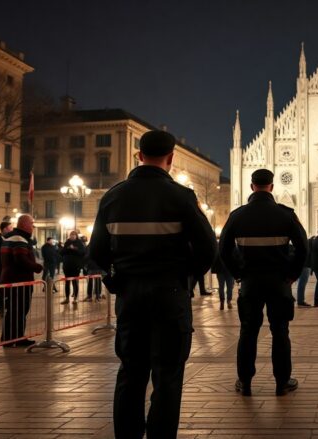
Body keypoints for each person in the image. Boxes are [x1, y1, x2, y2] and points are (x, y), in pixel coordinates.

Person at [88, 130, 216, 438]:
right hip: (170, 294)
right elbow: (208, 249)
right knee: (168, 375)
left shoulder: (114, 195)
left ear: (138, 155)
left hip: (130, 295)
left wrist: (115, 279)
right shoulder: (181, 196)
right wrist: (186, 277)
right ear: (171, 158)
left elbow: (96, 251)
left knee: (130, 372)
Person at [220, 168, 308, 398]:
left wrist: (238, 273)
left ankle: (245, 381)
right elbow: (303, 248)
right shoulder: (286, 214)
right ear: (272, 186)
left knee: (248, 331)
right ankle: (282, 382)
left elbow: (224, 250)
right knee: (280, 331)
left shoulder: (238, 215)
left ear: (252, 186)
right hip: (279, 282)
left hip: (250, 282)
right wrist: (292, 274)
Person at [0, 214, 43, 348]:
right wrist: (37, 267)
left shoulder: (11, 236)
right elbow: (21, 259)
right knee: (18, 309)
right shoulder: (19, 238)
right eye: (31, 223)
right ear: (24, 224)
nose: (33, 226)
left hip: (12, 278)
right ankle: (14, 338)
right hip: (18, 279)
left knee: (15, 309)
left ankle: (12, 338)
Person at [60, 231, 85, 304]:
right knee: (67, 282)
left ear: (76, 236)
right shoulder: (67, 242)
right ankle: (67, 298)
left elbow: (82, 253)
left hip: (76, 266)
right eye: (71, 235)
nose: (72, 236)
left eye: (74, 235)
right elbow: (62, 252)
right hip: (67, 265)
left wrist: (74, 249)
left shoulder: (79, 243)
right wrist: (68, 248)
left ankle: (75, 298)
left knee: (75, 282)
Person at [295, 236, 313, 307]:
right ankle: (300, 301)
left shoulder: (303, 244)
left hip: (304, 265)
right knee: (302, 284)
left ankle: (300, 300)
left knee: (301, 284)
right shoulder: (306, 244)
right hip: (305, 266)